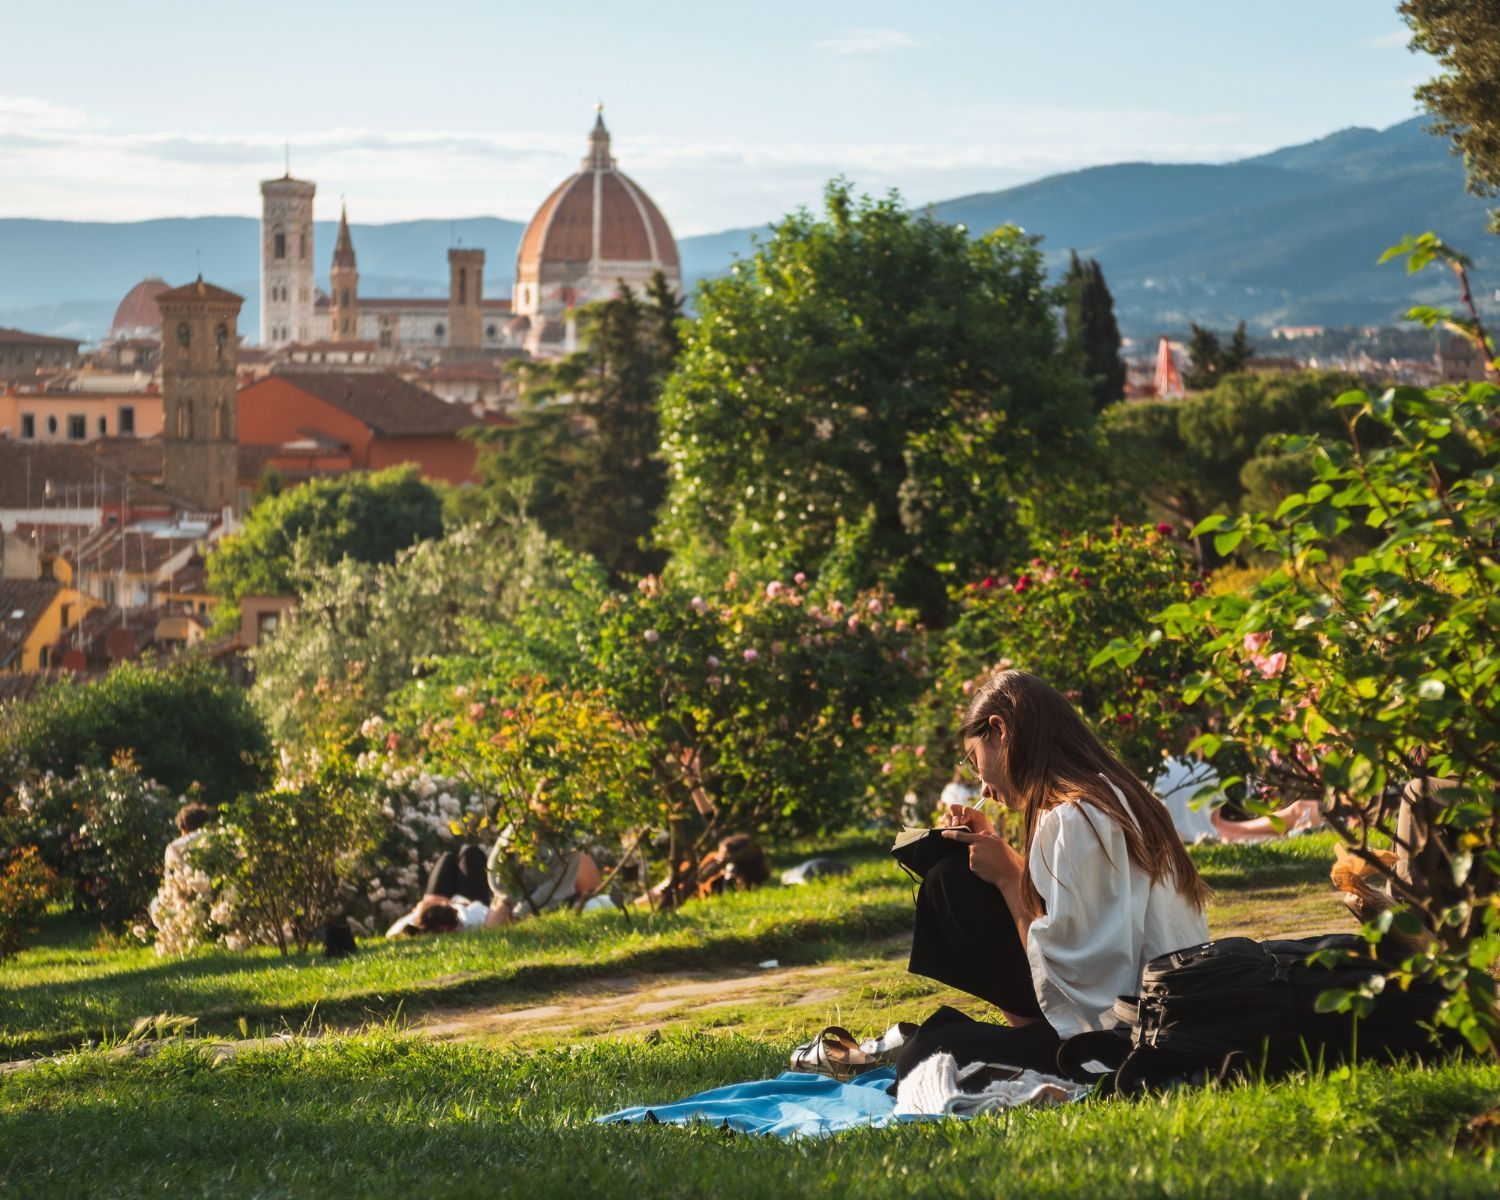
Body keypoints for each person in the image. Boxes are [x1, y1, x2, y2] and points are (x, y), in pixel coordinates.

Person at [897, 670, 1211, 1079]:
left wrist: (1011, 878)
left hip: (1122, 1041)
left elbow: (1081, 978)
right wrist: (999, 855)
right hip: (1152, 1017)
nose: (983, 787)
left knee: (925, 1052)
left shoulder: (1075, 816)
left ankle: (1041, 1046)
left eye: (975, 762)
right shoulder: (1116, 796)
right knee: (954, 876)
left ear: (1000, 730)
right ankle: (1035, 1039)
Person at [1153, 754, 1324, 843]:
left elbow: (1217, 822)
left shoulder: (1160, 771)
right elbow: (1217, 821)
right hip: (1214, 832)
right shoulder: (1205, 771)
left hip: (1204, 832)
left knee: (1298, 810)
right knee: (1300, 811)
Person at [385, 844, 502, 936]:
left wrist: (424, 907)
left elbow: (392, 933)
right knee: (471, 853)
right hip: (468, 898)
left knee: (447, 858)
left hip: (431, 905)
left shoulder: (413, 922)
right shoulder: (470, 920)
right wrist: (459, 904)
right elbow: (490, 911)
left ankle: (431, 903)